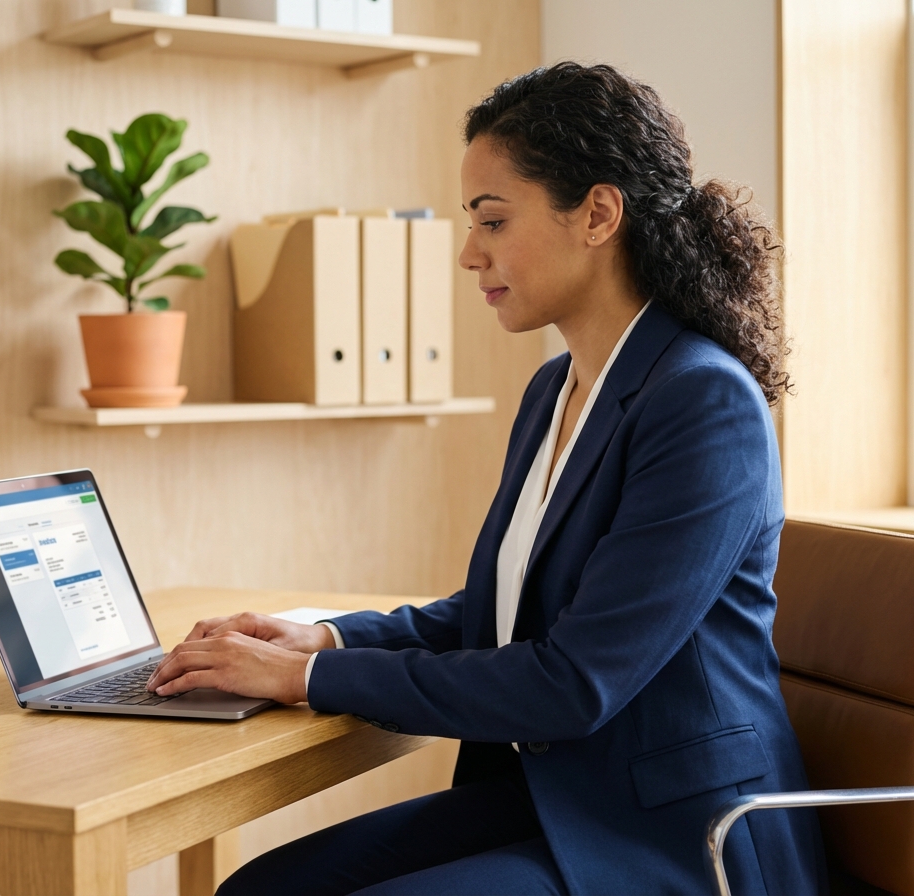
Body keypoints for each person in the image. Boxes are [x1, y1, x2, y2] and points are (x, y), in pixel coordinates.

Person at [146, 62, 827, 895]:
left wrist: (303, 682)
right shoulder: (557, 389)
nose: (471, 254)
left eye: (494, 221)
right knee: (261, 888)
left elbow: (574, 681)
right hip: (563, 793)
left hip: (682, 834)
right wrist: (327, 639)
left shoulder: (702, 403)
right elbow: (506, 613)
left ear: (598, 214)